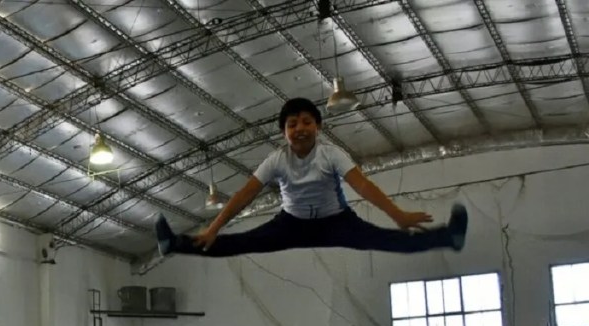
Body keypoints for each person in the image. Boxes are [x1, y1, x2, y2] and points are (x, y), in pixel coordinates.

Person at [154, 98, 468, 259]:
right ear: (284, 132)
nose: (300, 128)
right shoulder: (277, 159)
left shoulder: (331, 153)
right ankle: (175, 245)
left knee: (384, 240)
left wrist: (396, 214)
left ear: (317, 127)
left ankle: (447, 237)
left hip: (337, 222)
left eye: (306, 122)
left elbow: (363, 185)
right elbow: (244, 195)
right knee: (239, 242)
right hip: (291, 224)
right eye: (292, 124)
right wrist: (213, 227)